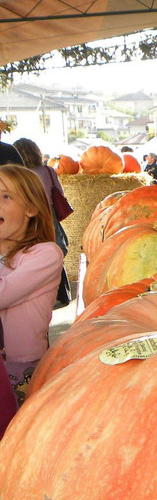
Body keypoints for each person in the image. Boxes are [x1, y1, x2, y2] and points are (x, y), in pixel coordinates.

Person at [0, 164, 63, 403]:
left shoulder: (46, 255)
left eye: (6, 196)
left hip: (21, 368)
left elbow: (3, 293)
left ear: (31, 208)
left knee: (15, 429)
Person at [12, 137, 71, 306]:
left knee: (32, 253)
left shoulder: (20, 175)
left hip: (27, 216)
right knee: (58, 249)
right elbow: (59, 192)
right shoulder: (49, 171)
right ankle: (64, 293)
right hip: (48, 213)